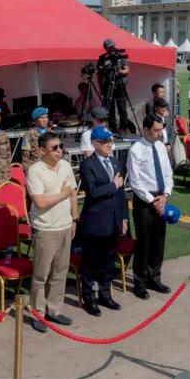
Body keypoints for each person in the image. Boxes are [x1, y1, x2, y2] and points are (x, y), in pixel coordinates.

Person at [24, 131, 77, 332]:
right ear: (41, 150)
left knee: (60, 272)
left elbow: (72, 193)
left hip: (65, 226)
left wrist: (74, 218)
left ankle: (54, 310)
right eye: (54, 148)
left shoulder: (65, 166)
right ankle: (38, 313)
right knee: (40, 275)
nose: (59, 151)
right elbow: (40, 202)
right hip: (45, 229)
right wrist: (62, 194)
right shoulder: (35, 171)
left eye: (60, 146)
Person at [76, 127, 126, 316]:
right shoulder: (87, 165)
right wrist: (113, 185)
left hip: (113, 221)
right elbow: (94, 192)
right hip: (95, 223)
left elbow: (121, 195)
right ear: (95, 144)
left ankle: (105, 294)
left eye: (110, 142)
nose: (109, 145)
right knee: (90, 263)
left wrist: (122, 218)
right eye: (105, 142)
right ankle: (89, 299)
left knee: (108, 261)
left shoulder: (115, 161)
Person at [124, 115, 173, 297]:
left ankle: (155, 278)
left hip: (161, 197)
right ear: (145, 129)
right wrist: (154, 200)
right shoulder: (136, 150)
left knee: (159, 241)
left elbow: (168, 173)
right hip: (145, 201)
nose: (159, 134)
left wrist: (165, 196)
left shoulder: (160, 146)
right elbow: (135, 182)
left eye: (161, 130)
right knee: (144, 242)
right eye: (156, 130)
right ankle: (140, 282)